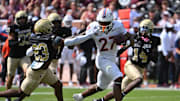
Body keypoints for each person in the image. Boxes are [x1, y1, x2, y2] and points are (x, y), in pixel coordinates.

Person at [64, 8, 132, 101]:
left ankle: (81, 96)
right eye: (101, 22)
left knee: (101, 86)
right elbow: (82, 37)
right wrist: (66, 42)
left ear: (112, 20)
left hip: (111, 59)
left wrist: (125, 41)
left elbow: (128, 36)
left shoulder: (118, 25)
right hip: (102, 59)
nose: (103, 25)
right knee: (118, 77)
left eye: (106, 23)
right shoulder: (94, 27)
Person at [0, 19, 64, 101]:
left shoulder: (37, 39)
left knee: (58, 85)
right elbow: (67, 42)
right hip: (36, 72)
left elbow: (28, 52)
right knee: (20, 92)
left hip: (44, 70)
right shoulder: (48, 40)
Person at [94, 19, 155, 101]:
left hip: (141, 68)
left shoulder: (154, 41)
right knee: (139, 79)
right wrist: (114, 54)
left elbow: (155, 59)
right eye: (142, 29)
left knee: (121, 89)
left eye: (146, 29)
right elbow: (123, 49)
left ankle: (100, 100)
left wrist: (149, 52)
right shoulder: (135, 38)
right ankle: (122, 95)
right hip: (131, 65)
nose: (144, 31)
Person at [6, 10, 33, 101]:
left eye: (23, 19)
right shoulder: (13, 28)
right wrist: (19, 41)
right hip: (13, 56)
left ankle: (21, 89)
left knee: (28, 72)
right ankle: (8, 95)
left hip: (24, 55)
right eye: (20, 19)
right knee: (10, 77)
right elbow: (10, 43)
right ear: (17, 20)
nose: (22, 21)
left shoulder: (29, 26)